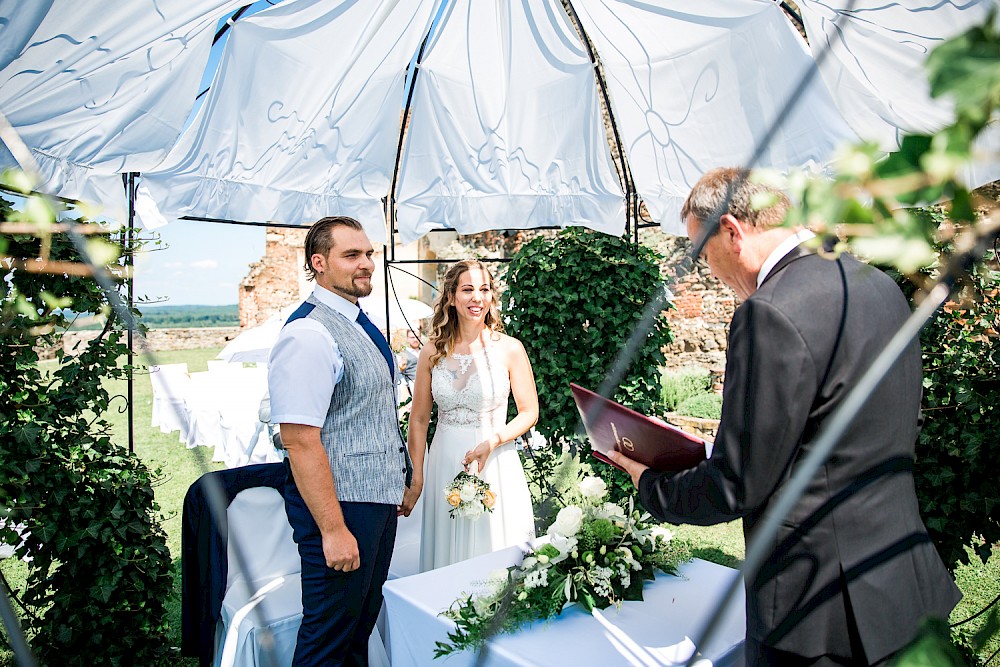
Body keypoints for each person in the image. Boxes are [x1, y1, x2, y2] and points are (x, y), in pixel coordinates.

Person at [609, 168, 960, 667]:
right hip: (902, 585)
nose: (710, 272)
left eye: (702, 255)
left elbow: (736, 485)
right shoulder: (878, 285)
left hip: (818, 614)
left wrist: (650, 484)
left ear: (731, 231)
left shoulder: (768, 313)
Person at [267, 216, 411, 666]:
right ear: (318, 263)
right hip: (342, 509)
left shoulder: (356, 320)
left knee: (356, 632)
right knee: (327, 641)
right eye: (351, 255)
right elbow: (299, 440)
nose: (366, 263)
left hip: (373, 504)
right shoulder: (309, 333)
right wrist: (332, 531)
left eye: (368, 253)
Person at [401, 259, 538, 571]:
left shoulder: (510, 349)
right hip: (444, 461)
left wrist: (493, 441)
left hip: (495, 460)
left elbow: (529, 411)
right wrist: (417, 475)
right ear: (451, 297)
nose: (478, 297)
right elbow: (420, 419)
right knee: (447, 555)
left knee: (494, 553)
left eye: (484, 289)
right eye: (468, 289)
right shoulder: (432, 351)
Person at [398, 328, 421, 393]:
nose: (415, 339)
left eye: (417, 337)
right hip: (412, 384)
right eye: (412, 337)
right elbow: (400, 372)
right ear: (407, 338)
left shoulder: (424, 351)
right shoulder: (403, 353)